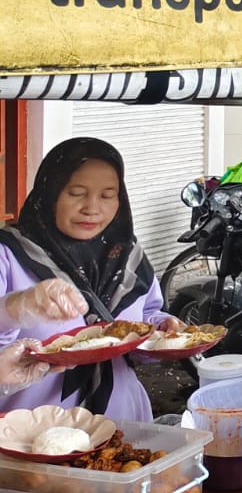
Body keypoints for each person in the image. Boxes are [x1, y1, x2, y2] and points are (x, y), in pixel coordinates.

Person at [0, 139, 174, 418]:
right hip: (30, 438)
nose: (92, 208)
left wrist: (164, 329)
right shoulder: (9, 255)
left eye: (107, 195)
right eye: (77, 193)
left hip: (124, 424)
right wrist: (17, 306)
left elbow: (147, 316)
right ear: (50, 193)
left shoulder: (128, 256)